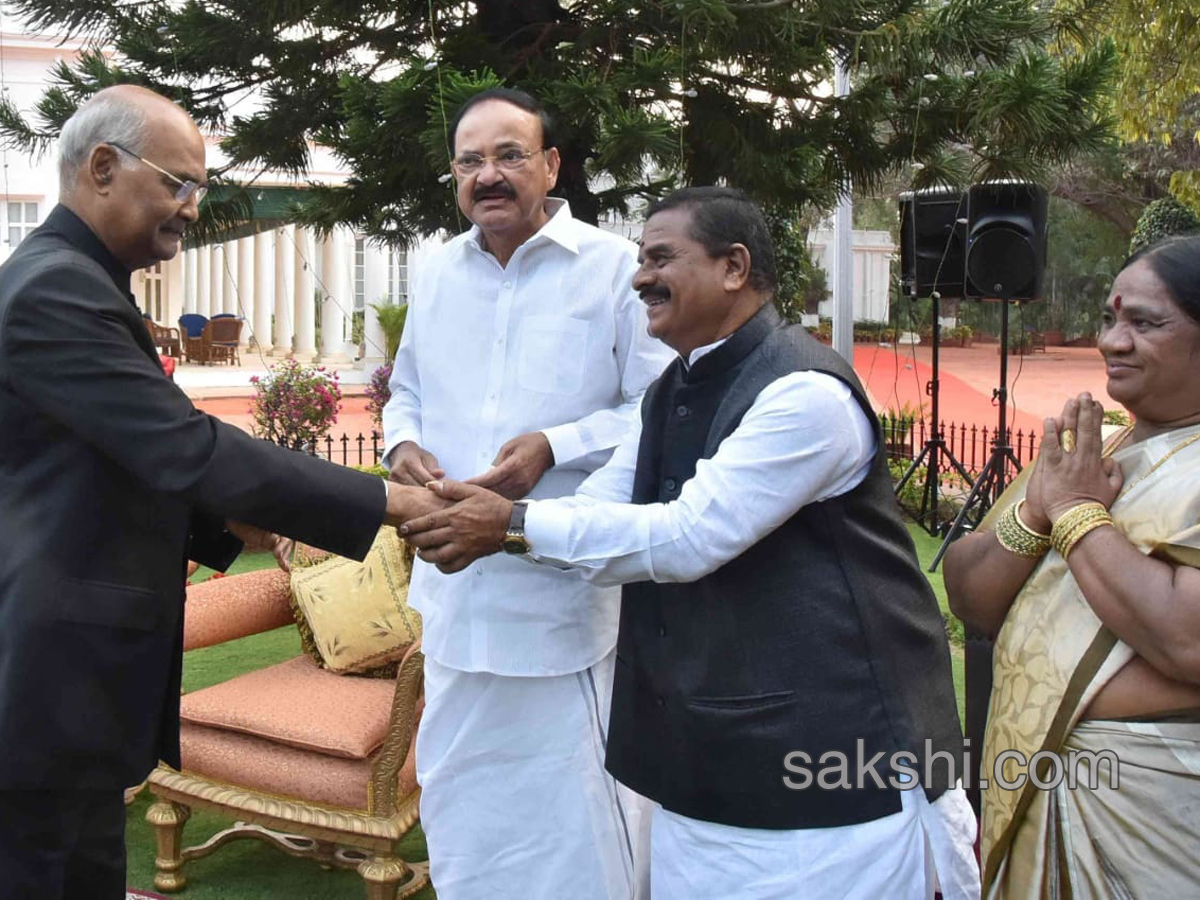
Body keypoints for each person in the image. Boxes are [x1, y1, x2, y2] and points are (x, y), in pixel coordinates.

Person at [401, 186, 980, 898]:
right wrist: (476, 520)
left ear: (734, 267)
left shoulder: (805, 396)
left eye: (660, 258)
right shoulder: (671, 389)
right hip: (712, 761)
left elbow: (687, 537)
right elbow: (600, 511)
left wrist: (507, 525)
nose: (639, 276)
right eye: (640, 259)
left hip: (833, 773)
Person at [0, 85, 441, 899]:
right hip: (49, 676)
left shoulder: (77, 282)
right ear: (103, 167)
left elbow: (119, 460)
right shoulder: (56, 292)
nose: (191, 209)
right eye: (179, 184)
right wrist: (390, 503)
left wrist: (247, 523)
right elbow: (185, 448)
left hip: (73, 672)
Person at [381, 87, 671, 899]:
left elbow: (659, 409)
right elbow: (403, 389)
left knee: (579, 823)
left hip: (559, 601)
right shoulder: (437, 268)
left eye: (510, 155)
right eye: (471, 161)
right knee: (466, 806)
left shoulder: (615, 269)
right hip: (453, 599)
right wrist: (403, 445)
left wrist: (556, 446)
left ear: (550, 165)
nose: (490, 175)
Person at [945, 234, 1200, 898]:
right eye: (1112, 318)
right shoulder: (1088, 453)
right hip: (1035, 779)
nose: (1113, 341)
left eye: (1145, 322)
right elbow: (970, 598)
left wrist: (1079, 513)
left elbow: (1186, 639)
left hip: (1149, 813)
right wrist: (1036, 515)